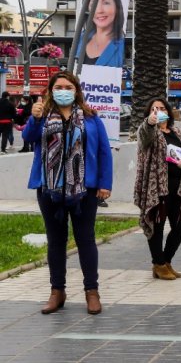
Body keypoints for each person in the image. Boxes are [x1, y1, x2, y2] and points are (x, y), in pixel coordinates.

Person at [23, 71, 113, 315]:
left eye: (68, 86)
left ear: (76, 90)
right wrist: (33, 118)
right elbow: (28, 138)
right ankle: (57, 291)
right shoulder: (42, 116)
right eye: (58, 86)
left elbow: (104, 151)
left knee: (86, 240)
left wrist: (105, 183)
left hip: (85, 190)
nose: (63, 90)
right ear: (51, 90)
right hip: (49, 190)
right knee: (56, 241)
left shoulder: (92, 118)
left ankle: (91, 292)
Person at [134, 98, 181, 280]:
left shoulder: (177, 132)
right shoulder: (147, 130)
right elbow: (145, 137)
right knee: (157, 225)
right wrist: (150, 122)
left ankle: (166, 260)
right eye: (154, 109)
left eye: (162, 108)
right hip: (157, 187)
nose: (159, 111)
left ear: (168, 111)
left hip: (180, 186)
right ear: (149, 112)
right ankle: (158, 264)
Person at [77, 0, 125, 68]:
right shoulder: (81, 39)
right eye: (93, 4)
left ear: (117, 7)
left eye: (106, 3)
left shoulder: (124, 44)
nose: (99, 10)